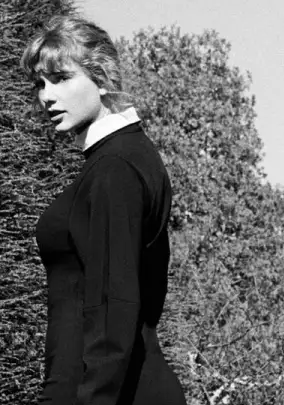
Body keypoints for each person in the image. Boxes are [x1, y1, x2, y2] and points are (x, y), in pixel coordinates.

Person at [21, 15, 187, 405]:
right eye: (40, 84)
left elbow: (116, 306)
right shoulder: (124, 157)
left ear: (101, 78)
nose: (46, 96)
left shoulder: (116, 168)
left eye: (61, 78)